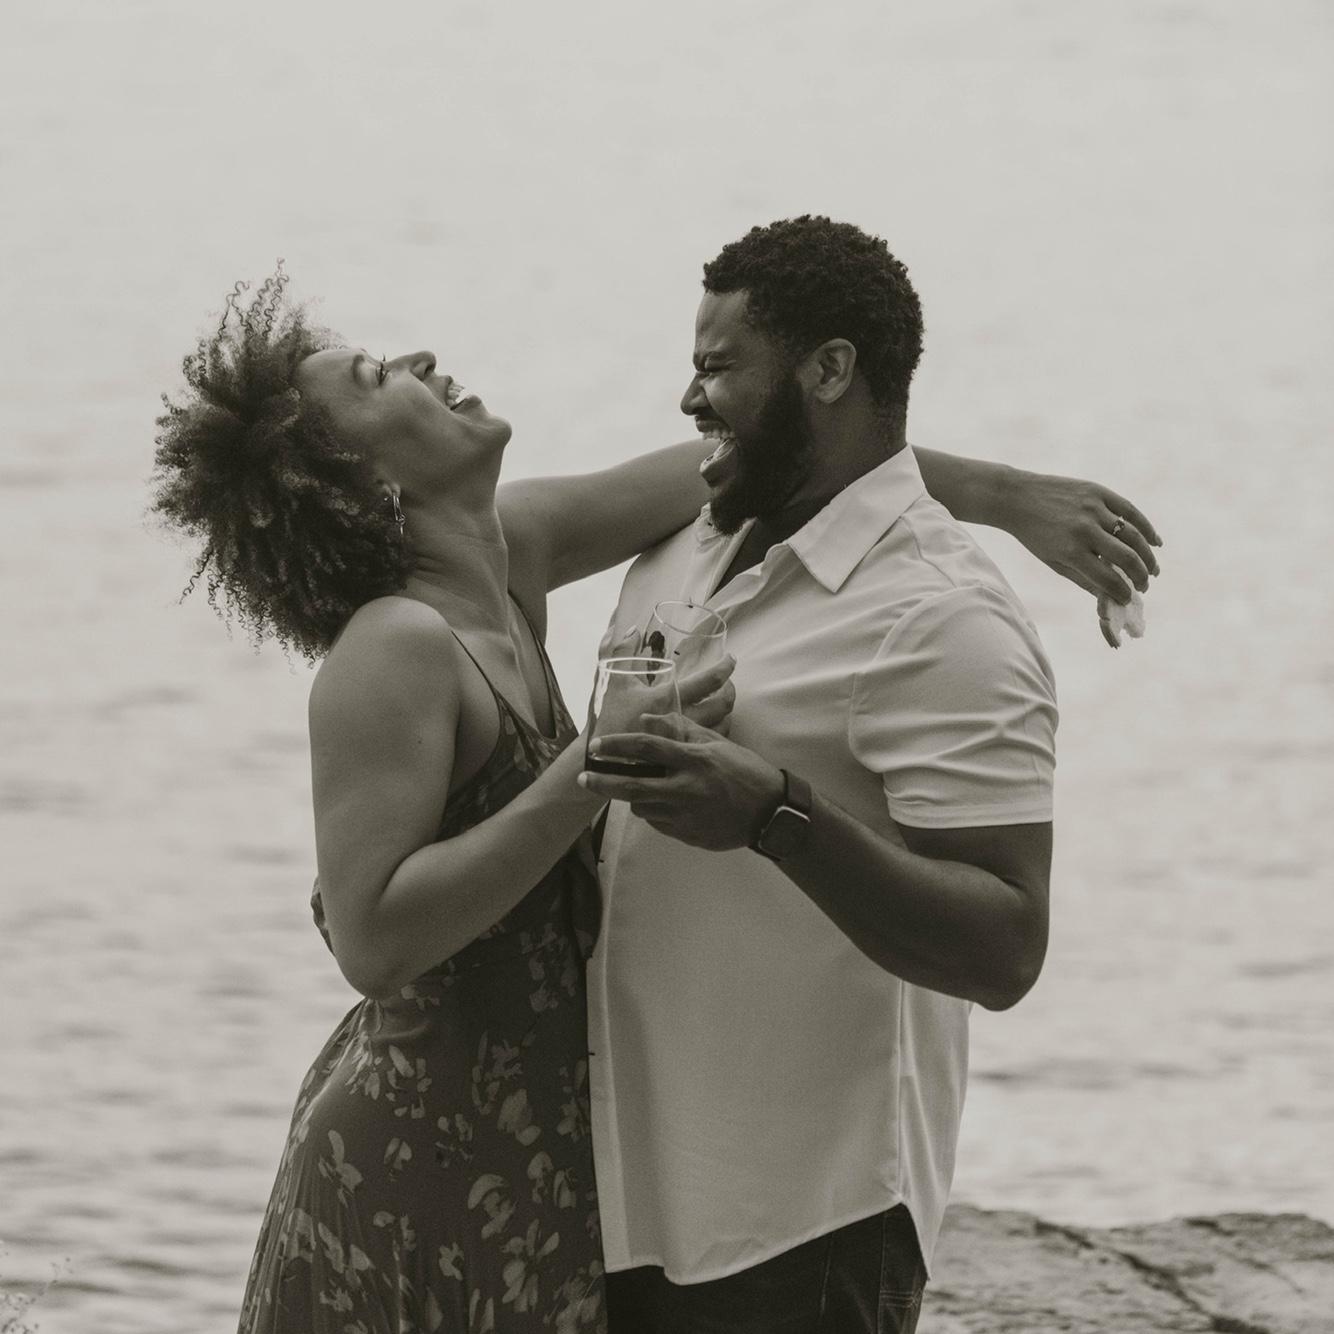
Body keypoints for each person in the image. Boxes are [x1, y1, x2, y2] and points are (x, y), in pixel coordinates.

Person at [150, 265, 1158, 1334]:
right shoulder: (393, 642)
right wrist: (596, 762)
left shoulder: (508, 558)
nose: (417, 360)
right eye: (374, 377)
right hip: (412, 1151)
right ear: (357, 483)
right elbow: (371, 940)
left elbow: (773, 456)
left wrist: (1005, 497)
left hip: (542, 1151)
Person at [579, 216, 1151, 1333]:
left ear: (829, 369)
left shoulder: (941, 615)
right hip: (623, 1193)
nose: (690, 399)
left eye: (717, 368)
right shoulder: (688, 541)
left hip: (802, 1225)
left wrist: (773, 812)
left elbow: (1004, 945)